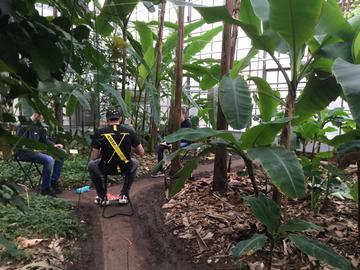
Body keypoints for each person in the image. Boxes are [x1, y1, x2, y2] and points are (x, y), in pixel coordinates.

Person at [88, 108, 144, 206]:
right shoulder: (129, 132)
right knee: (135, 162)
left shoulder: (100, 133)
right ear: (120, 119)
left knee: (91, 164)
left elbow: (94, 157)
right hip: (125, 167)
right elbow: (141, 152)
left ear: (107, 119)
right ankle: (124, 195)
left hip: (106, 168)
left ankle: (102, 197)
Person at [16, 112, 65, 196]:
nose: (43, 118)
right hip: (24, 152)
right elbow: (19, 142)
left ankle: (53, 182)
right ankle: (45, 189)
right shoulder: (23, 124)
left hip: (37, 151)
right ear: (36, 115)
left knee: (61, 153)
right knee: (49, 160)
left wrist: (54, 145)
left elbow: (44, 140)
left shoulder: (39, 126)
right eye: (42, 116)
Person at [151, 107, 192, 178]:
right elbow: (173, 136)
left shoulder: (187, 124)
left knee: (175, 148)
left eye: (180, 114)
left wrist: (174, 143)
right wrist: (167, 142)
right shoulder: (175, 124)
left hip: (185, 142)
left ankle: (177, 170)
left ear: (184, 114)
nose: (178, 116)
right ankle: (159, 169)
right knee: (160, 147)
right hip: (174, 142)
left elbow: (187, 138)